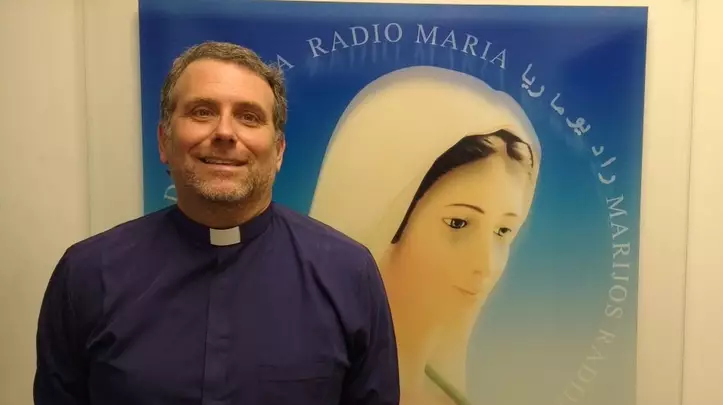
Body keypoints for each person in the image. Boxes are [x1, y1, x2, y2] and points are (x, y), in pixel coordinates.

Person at [33, 41, 400, 405]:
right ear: (164, 141)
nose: (225, 132)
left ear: (278, 152)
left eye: (249, 117)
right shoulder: (86, 275)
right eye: (202, 112)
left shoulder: (349, 275)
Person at [308, 66, 541, 405]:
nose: (487, 264)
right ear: (388, 216)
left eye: (503, 231)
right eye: (458, 223)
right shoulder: (303, 385)